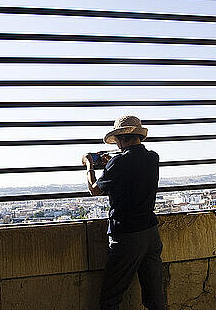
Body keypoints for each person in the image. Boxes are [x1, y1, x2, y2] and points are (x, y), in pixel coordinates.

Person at [82, 115, 165, 310]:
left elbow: (95, 189)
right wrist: (113, 162)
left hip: (127, 234)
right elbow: (133, 169)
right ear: (138, 136)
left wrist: (89, 165)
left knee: (111, 297)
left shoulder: (118, 163)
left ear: (120, 139)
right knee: (155, 296)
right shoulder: (153, 157)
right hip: (151, 232)